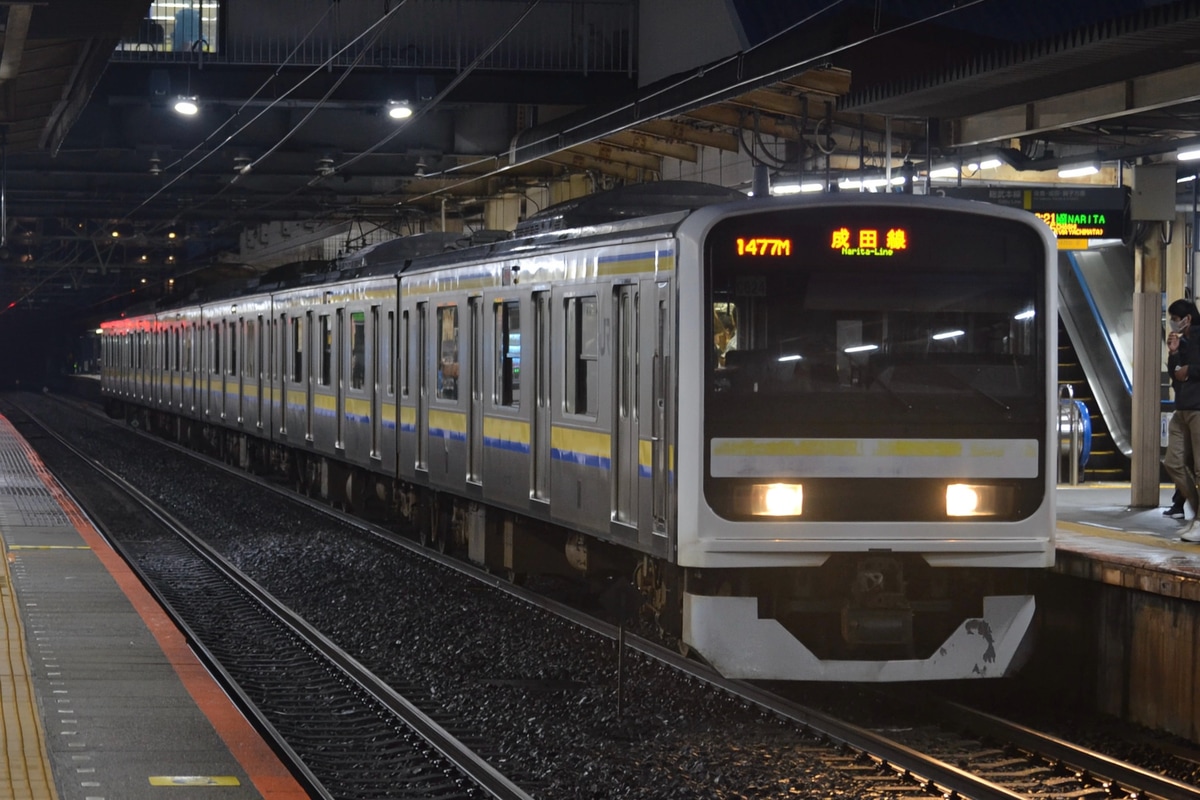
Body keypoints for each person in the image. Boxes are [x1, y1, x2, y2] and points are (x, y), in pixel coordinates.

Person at [1162, 298, 1200, 541]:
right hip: (1182, 408)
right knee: (1173, 461)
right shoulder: (1184, 342)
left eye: (1176, 318)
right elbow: (1176, 378)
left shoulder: (1198, 336)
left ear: (1188, 317)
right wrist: (1174, 354)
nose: (1173, 323)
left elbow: (1189, 372)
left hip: (1198, 408)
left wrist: (1190, 371)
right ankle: (1196, 514)